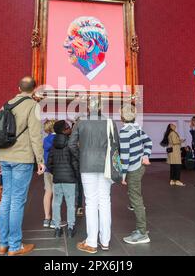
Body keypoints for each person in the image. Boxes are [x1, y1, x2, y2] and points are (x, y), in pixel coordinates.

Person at [0, 76, 45, 256]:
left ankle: (3, 244)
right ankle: (15, 246)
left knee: (5, 200)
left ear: (18, 88)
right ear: (34, 89)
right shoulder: (34, 106)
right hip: (22, 159)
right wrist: (40, 160)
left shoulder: (6, 104)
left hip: (5, 156)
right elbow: (35, 136)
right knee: (16, 201)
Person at [69, 98, 119, 254]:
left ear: (87, 108)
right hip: (106, 167)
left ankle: (91, 242)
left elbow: (71, 144)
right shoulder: (110, 122)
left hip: (87, 165)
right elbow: (116, 145)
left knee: (90, 202)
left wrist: (81, 155)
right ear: (101, 107)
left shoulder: (81, 122)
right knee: (105, 201)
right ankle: (105, 241)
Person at [119, 105, 153, 245]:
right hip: (139, 167)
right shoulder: (136, 128)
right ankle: (141, 229)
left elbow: (125, 156)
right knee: (136, 198)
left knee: (136, 200)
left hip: (132, 169)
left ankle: (142, 233)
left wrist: (123, 175)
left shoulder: (125, 132)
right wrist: (146, 155)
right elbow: (149, 142)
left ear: (122, 116)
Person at [47, 120, 79, 238]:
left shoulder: (53, 145)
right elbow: (75, 162)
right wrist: (75, 175)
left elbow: (49, 163)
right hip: (70, 179)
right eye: (68, 127)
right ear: (64, 130)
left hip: (57, 178)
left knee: (56, 203)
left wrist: (55, 173)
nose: (70, 128)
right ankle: (70, 228)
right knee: (71, 204)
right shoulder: (70, 144)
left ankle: (57, 229)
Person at [42, 119, 56, 229]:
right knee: (56, 194)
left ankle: (47, 218)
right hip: (56, 169)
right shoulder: (58, 139)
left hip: (47, 169)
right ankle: (55, 219)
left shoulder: (45, 140)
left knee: (48, 192)